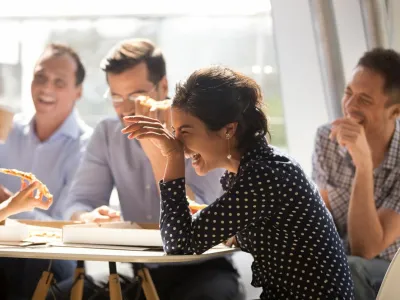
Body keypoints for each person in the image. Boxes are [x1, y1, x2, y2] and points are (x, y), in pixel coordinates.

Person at [121, 65, 355, 299]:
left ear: (228, 130)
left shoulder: (265, 175)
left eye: (186, 131)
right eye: (174, 131)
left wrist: (171, 157)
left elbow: (178, 244)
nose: (178, 143)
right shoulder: (256, 170)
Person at [57, 39, 243, 300]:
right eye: (116, 97)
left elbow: (199, 220)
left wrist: (158, 152)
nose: (125, 109)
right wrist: (86, 217)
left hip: (202, 267)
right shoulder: (108, 133)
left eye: (135, 96)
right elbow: (78, 201)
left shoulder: (200, 128)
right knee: (61, 294)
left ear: (163, 86)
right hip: (142, 270)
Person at [0, 43, 92, 299]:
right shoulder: (8, 130)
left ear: (78, 92)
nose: (46, 88)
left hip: (52, 254)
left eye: (59, 82)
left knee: (34, 262)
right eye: (40, 77)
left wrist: (13, 206)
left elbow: (65, 226)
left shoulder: (86, 146)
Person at [312, 48, 400, 300]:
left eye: (365, 100)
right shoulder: (327, 138)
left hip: (391, 269)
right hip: (342, 260)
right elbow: (324, 216)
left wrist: (363, 164)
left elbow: (366, 248)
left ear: (394, 112)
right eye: (348, 93)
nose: (350, 106)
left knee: (348, 269)